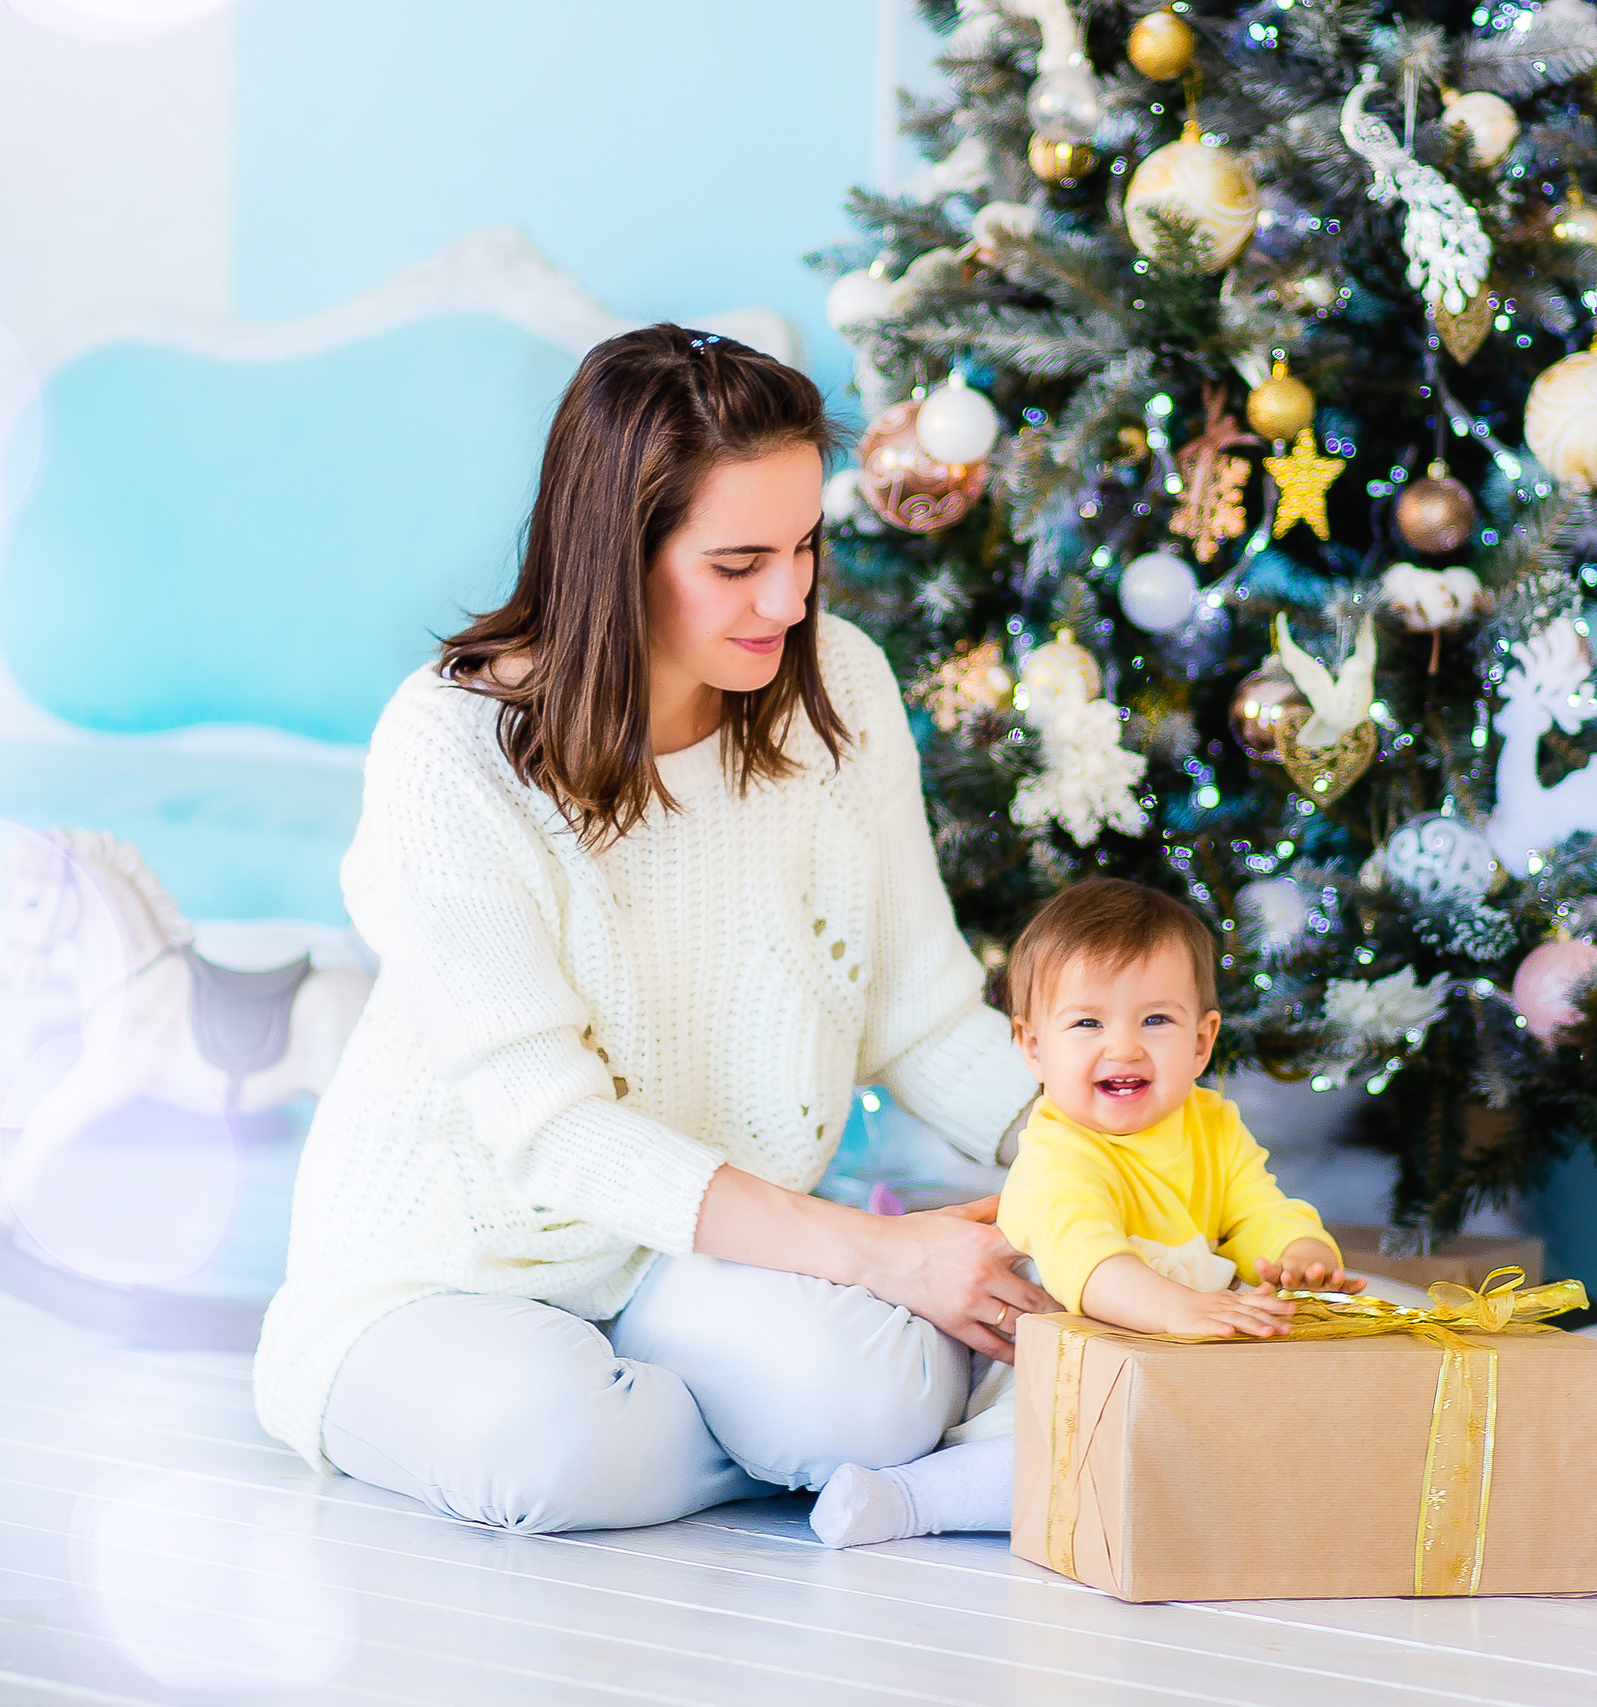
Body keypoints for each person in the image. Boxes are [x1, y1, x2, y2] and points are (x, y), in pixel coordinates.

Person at [252, 325, 1058, 1533]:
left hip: (680, 1262)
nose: (787, 598)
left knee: (870, 1399)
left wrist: (1137, 1161)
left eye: (805, 547)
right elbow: (557, 1130)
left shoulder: (837, 684)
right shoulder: (449, 749)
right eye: (737, 563)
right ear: (612, 555)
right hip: (439, 1273)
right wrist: (876, 1259)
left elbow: (921, 1008)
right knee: (549, 1447)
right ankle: (746, 1434)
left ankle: (750, 1426)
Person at [810, 877, 1359, 1547]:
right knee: (1061, 1462)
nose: (1124, 1047)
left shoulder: (1213, 1125)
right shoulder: (1056, 1153)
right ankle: (912, 1497)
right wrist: (1180, 1309)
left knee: (1249, 1439)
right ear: (1034, 1046)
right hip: (1063, 1374)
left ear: (1201, 1040)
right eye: (1088, 1022)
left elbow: (1259, 1209)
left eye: (1155, 1019)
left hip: (1176, 1360)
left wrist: (1302, 1255)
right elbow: (1088, 1261)